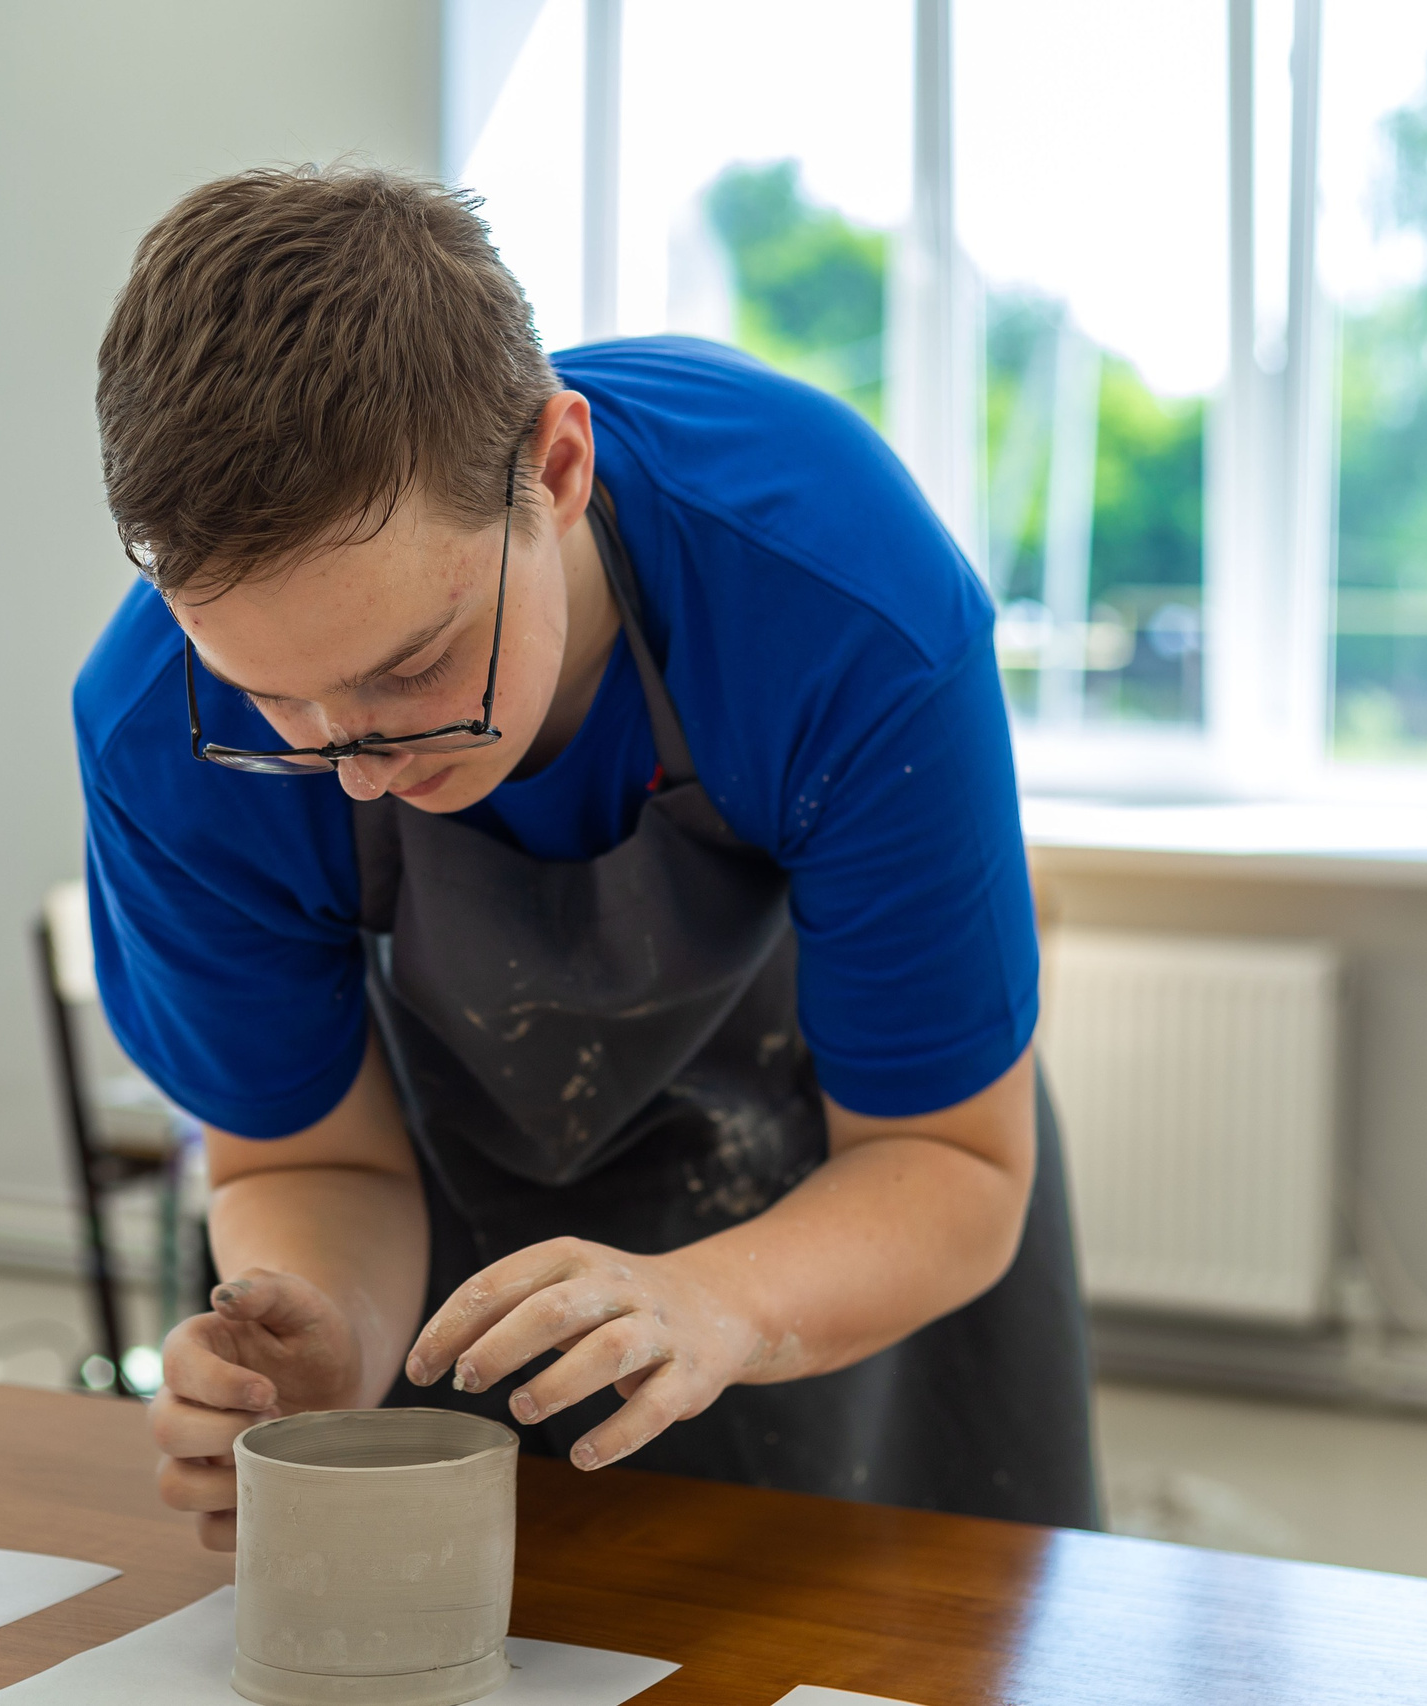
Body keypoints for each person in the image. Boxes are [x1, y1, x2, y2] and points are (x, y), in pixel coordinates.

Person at [77, 167, 1096, 1550]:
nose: (355, 758)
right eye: (274, 696)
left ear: (556, 472)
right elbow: (312, 1164)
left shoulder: (837, 592)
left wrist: (716, 1300)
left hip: (840, 1226)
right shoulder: (162, 733)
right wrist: (335, 1334)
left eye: (412, 667)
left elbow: (947, 1160)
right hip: (463, 1264)